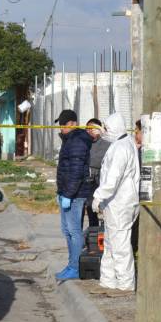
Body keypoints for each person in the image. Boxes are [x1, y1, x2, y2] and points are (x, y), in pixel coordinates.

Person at [91, 112, 140, 295]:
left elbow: (112, 179)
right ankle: (108, 281)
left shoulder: (121, 148)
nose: (104, 132)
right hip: (117, 203)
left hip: (121, 204)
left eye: (107, 128)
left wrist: (99, 196)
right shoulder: (122, 144)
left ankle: (125, 284)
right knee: (111, 243)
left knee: (119, 245)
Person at [54, 109, 92, 280]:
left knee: (74, 230)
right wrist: (61, 192)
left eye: (63, 125)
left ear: (72, 124)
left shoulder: (77, 141)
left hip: (76, 194)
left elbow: (76, 171)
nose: (61, 129)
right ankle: (71, 264)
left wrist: (68, 194)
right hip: (66, 192)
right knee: (66, 230)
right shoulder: (69, 140)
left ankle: (74, 267)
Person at [83, 118, 110, 228]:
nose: (90, 131)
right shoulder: (84, 142)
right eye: (87, 129)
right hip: (87, 181)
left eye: (93, 129)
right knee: (89, 210)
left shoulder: (106, 144)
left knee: (102, 211)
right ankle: (92, 233)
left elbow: (99, 160)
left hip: (101, 181)